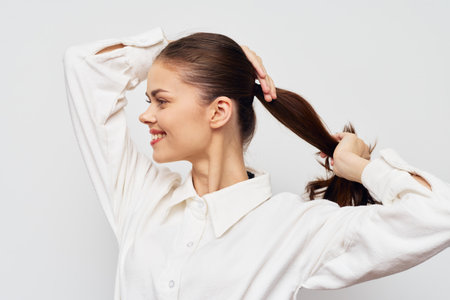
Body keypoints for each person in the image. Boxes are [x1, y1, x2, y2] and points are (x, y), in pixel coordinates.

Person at [62, 27, 450, 300]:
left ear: (218, 112)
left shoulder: (293, 229)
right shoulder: (141, 198)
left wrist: (358, 167)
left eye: (161, 101)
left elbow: (439, 216)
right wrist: (184, 49)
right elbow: (83, 66)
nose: (146, 116)